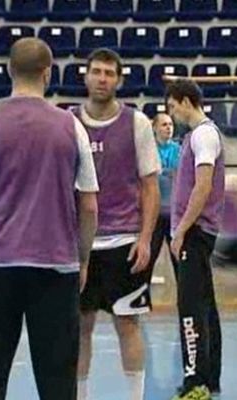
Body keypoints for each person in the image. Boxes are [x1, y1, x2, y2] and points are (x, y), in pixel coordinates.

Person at [0, 38, 99, 400]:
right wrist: (82, 258)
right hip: (55, 266)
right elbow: (89, 205)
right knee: (57, 383)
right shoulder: (73, 127)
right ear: (48, 73)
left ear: (9, 70)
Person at [74, 48, 161, 400]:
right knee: (80, 328)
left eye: (109, 73)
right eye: (96, 71)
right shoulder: (69, 122)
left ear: (119, 80)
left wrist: (145, 239)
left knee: (128, 324)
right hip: (80, 245)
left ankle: (135, 396)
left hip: (124, 241)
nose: (102, 78)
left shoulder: (136, 122)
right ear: (86, 76)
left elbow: (150, 187)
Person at [165, 78, 225, 400]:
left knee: (190, 307)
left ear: (185, 101)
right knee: (204, 304)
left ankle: (195, 380)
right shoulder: (196, 136)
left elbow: (202, 187)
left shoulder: (203, 135)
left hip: (195, 232)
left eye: (172, 107)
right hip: (198, 231)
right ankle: (209, 377)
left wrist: (181, 230)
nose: (171, 115)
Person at [150, 112, 181, 275]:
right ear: (154, 128)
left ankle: (185, 299)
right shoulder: (148, 150)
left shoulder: (179, 150)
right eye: (164, 124)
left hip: (174, 214)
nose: (168, 128)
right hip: (153, 214)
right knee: (149, 259)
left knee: (179, 260)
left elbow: (180, 177)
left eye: (171, 124)